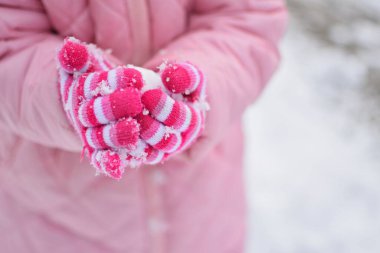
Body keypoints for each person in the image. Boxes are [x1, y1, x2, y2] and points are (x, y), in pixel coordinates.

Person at [0, 0, 287, 252]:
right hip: (52, 215)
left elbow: (248, 20)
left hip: (203, 201)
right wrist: (66, 94)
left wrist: (198, 89)